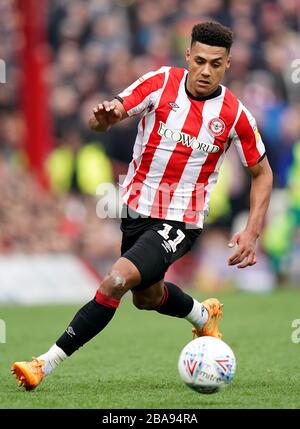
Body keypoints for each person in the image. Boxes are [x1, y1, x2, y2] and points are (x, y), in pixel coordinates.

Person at [11, 21, 273, 390]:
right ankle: (203, 313)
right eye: (199, 60)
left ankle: (43, 363)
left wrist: (252, 230)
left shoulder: (234, 115)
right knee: (146, 298)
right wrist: (102, 120)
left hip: (181, 220)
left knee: (116, 280)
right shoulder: (160, 82)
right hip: (135, 213)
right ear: (188, 55)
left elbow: (262, 172)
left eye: (216, 63)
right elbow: (111, 113)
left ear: (228, 64)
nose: (205, 70)